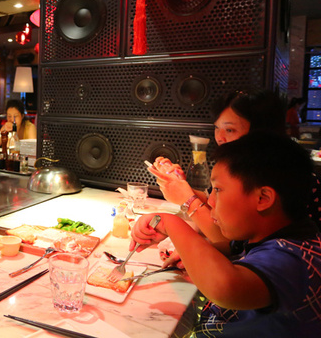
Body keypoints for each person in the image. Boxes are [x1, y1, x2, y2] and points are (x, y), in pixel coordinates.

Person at [132, 132, 321, 337]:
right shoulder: (261, 234)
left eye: (218, 190)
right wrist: (194, 254)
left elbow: (226, 288)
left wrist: (170, 222)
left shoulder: (297, 260)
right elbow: (229, 247)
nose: (211, 201)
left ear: (263, 198)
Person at [150, 90, 321, 258]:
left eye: (230, 130)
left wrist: (187, 200)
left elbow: (227, 238)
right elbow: (216, 207)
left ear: (260, 133)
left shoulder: (280, 176)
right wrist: (177, 185)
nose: (220, 138)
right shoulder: (240, 167)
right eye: (217, 128)